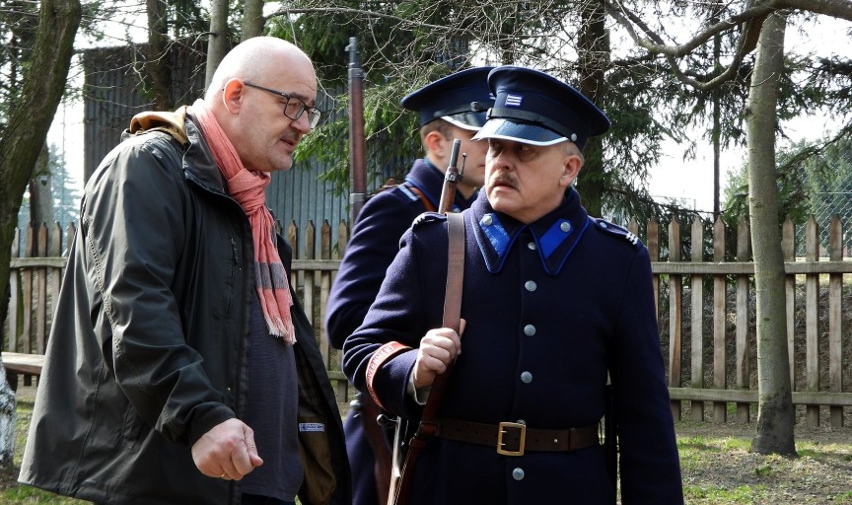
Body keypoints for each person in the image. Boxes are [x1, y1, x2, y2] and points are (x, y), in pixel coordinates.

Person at [19, 36, 351, 505]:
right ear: (234, 95)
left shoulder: (255, 215)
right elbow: (134, 311)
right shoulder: (147, 167)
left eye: (309, 111)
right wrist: (200, 417)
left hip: (253, 484)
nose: (304, 126)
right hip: (169, 481)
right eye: (292, 105)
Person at [342, 66, 684, 504]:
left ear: (569, 168)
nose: (501, 161)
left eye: (524, 151)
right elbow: (362, 347)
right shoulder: (433, 243)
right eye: (497, 146)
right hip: (451, 487)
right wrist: (412, 369)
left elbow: (644, 414)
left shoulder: (615, 260)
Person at [325, 66, 494, 505]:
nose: (493, 148)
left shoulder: (479, 217)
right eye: (478, 135)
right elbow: (345, 322)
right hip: (393, 429)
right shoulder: (397, 209)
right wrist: (419, 355)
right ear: (437, 143)